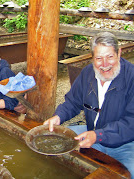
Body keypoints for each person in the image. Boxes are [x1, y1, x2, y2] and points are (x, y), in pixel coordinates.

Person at [43, 32, 134, 178]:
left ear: (119, 53)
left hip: (125, 143)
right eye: (99, 58)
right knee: (53, 140)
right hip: (92, 131)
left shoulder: (131, 77)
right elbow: (72, 102)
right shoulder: (87, 73)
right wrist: (58, 117)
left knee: (129, 173)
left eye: (110, 57)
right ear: (92, 58)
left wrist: (98, 136)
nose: (104, 65)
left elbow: (131, 124)